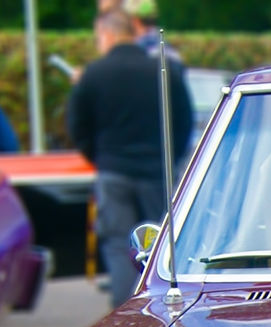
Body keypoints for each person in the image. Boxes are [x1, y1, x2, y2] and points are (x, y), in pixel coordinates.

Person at [67, 8, 192, 307]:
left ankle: (127, 314)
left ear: (107, 35)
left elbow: (77, 125)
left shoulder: (93, 75)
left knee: (117, 245)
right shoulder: (163, 71)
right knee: (162, 246)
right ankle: (165, 305)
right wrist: (169, 158)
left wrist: (100, 157)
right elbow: (183, 121)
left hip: (114, 171)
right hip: (156, 172)